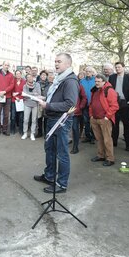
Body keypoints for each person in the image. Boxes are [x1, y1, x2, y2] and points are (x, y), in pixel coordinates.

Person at [33, 53, 79, 193]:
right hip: (52, 119)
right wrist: (45, 98)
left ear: (68, 64)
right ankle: (50, 176)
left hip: (61, 121)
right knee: (50, 149)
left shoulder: (70, 81)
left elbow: (70, 104)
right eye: (55, 61)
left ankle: (61, 184)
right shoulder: (60, 78)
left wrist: (48, 105)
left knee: (62, 153)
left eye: (59, 61)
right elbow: (57, 97)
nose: (56, 64)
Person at [89, 74, 119, 165]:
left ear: (104, 81)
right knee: (99, 139)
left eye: (99, 81)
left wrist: (107, 117)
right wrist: (91, 116)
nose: (96, 83)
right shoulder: (95, 90)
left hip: (104, 119)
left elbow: (115, 106)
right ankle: (101, 155)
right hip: (95, 118)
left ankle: (110, 159)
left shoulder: (109, 90)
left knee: (107, 139)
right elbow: (91, 104)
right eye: (96, 81)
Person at [108, 62, 129, 151]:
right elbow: (108, 89)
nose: (117, 69)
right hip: (115, 102)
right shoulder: (112, 77)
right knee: (114, 123)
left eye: (119, 67)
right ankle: (114, 142)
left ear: (123, 68)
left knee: (126, 124)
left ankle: (128, 144)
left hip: (125, 103)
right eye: (116, 67)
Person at [0, 61, 15, 136]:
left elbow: (12, 85)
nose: (7, 66)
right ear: (3, 65)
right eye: (5, 65)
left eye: (8, 65)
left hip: (7, 97)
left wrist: (5, 91)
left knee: (6, 115)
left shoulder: (11, 75)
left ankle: (5, 129)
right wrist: (0, 91)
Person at [70, 78, 88, 154]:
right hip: (64, 111)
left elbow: (84, 97)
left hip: (75, 112)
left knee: (75, 128)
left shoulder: (79, 86)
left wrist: (80, 107)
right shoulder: (64, 85)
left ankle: (75, 146)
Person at [22, 73, 41, 141]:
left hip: (35, 104)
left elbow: (39, 94)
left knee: (34, 120)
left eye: (31, 77)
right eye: (28, 77)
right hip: (27, 104)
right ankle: (25, 133)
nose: (29, 78)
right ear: (26, 79)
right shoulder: (24, 86)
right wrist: (33, 95)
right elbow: (24, 95)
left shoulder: (37, 85)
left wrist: (29, 95)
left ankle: (32, 133)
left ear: (33, 77)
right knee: (26, 119)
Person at [79, 66, 96, 144]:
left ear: (92, 72)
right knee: (86, 121)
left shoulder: (96, 80)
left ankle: (93, 137)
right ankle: (87, 136)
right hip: (85, 104)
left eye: (89, 71)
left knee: (93, 121)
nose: (88, 72)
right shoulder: (82, 81)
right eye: (86, 71)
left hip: (93, 104)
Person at [11, 70, 25, 135]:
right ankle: (12, 129)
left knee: (21, 116)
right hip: (14, 100)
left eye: (19, 74)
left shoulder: (24, 81)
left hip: (21, 100)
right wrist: (16, 97)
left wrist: (18, 93)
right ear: (15, 75)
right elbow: (11, 91)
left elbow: (24, 91)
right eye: (17, 74)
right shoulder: (13, 81)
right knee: (13, 116)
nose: (18, 75)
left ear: (21, 74)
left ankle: (21, 130)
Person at [36, 70, 49, 137]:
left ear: (46, 76)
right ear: (40, 76)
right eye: (42, 75)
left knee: (46, 118)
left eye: (45, 75)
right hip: (39, 102)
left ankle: (46, 133)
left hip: (46, 102)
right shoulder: (37, 83)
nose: (43, 76)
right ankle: (39, 132)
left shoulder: (49, 84)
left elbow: (50, 94)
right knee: (39, 118)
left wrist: (45, 98)